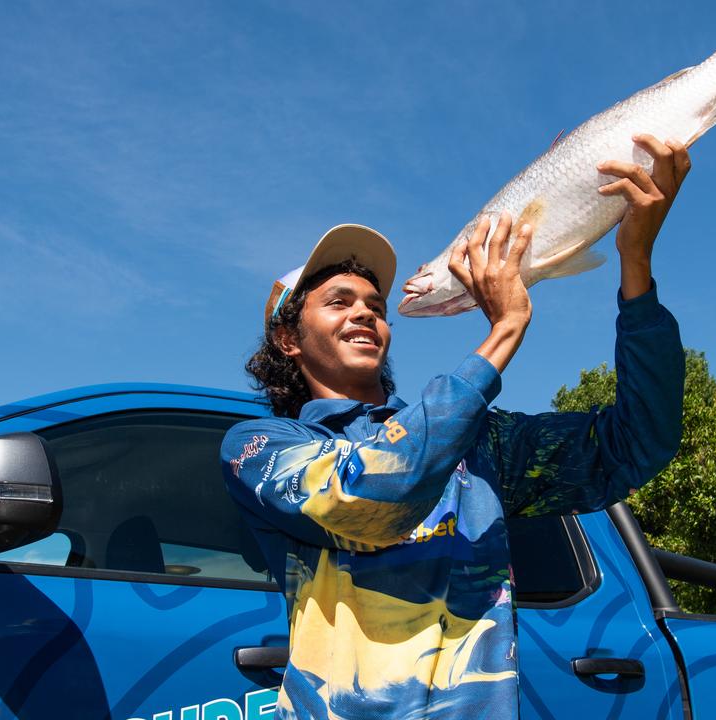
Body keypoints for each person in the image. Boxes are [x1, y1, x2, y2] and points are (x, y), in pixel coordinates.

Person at [221, 135, 689, 719]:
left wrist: (636, 267)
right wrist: (503, 332)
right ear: (289, 340)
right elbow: (367, 495)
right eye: (338, 302)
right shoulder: (262, 448)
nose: (366, 311)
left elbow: (639, 441)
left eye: (375, 305)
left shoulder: (477, 444)